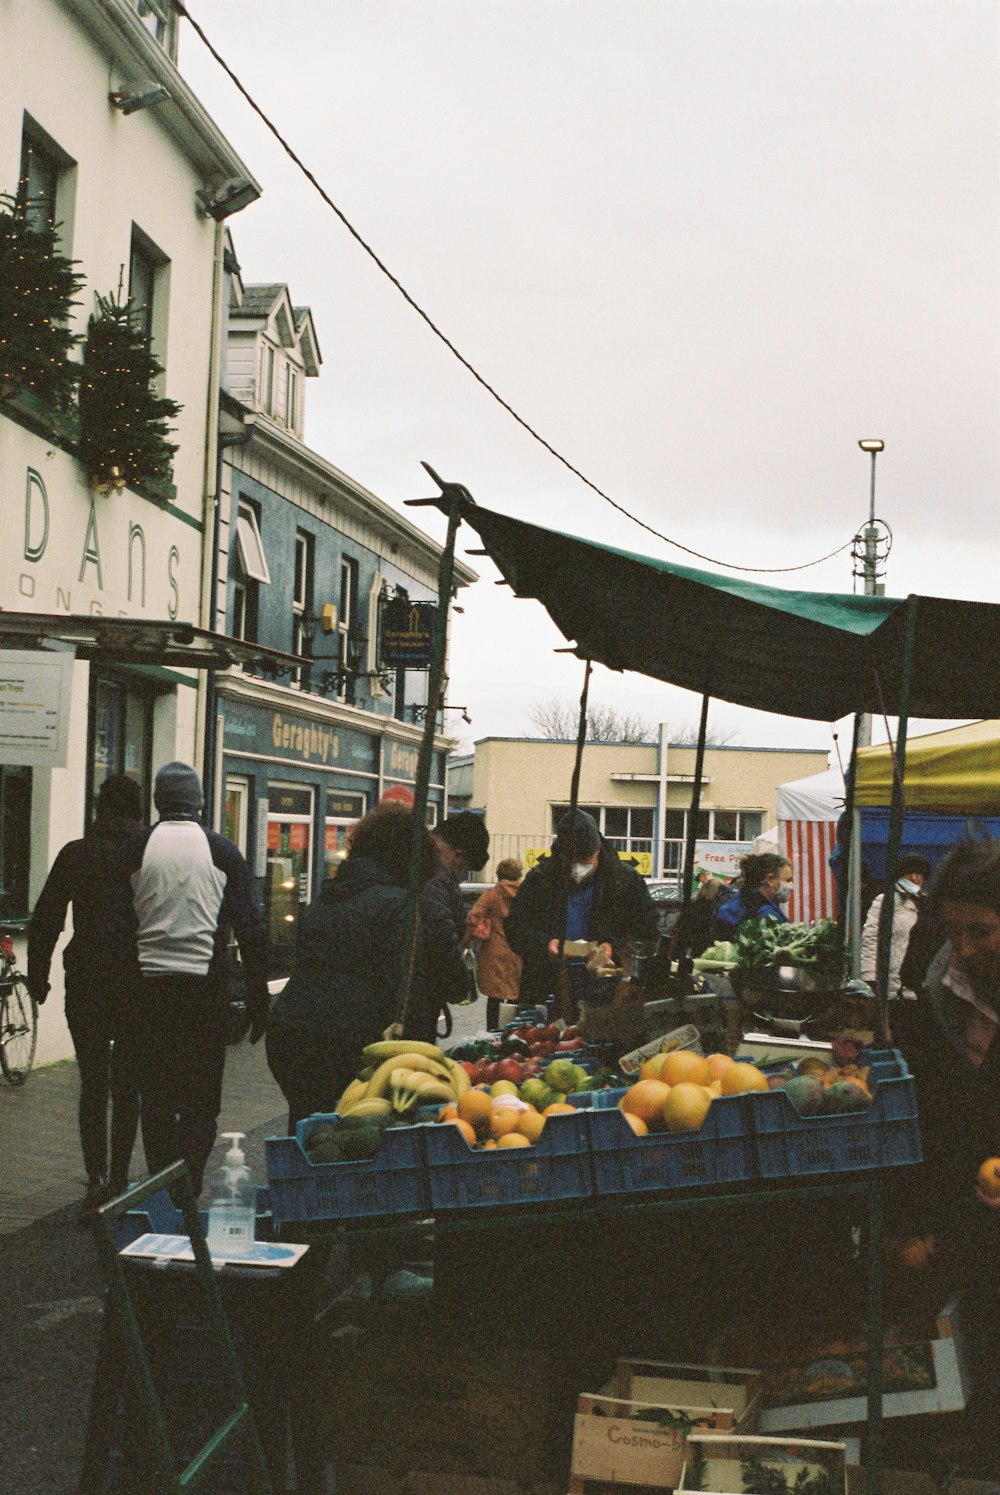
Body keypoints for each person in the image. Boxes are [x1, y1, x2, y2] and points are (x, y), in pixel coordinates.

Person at [122, 762, 269, 1197]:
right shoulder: (222, 851)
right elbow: (253, 929)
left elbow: (113, 925)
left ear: (157, 802)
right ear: (201, 803)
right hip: (206, 993)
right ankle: (190, 1182)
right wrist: (258, 997)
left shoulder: (135, 848)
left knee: (157, 1097)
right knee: (202, 1100)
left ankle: (164, 1181)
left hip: (147, 993)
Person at [266, 808, 439, 1130]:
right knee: (349, 1139)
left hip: (288, 1032)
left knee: (307, 1131)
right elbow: (405, 988)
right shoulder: (399, 904)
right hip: (345, 1041)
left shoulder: (327, 897)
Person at [27, 774, 144, 1211]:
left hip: (87, 979)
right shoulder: (147, 855)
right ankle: (120, 1178)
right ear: (137, 812)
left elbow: (46, 919)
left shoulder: (77, 853)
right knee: (127, 1084)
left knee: (93, 1083)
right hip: (136, 981)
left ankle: (95, 1179)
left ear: (99, 810)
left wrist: (38, 976)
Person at [506, 809, 659, 1017]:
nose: (579, 866)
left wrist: (614, 945)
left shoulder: (625, 881)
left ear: (598, 849)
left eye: (586, 859)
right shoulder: (539, 880)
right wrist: (544, 944)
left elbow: (648, 927)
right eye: (572, 860)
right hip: (546, 987)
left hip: (607, 990)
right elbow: (515, 927)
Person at [412, 812, 491, 1041]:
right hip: (416, 1000)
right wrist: (461, 986)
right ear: (457, 856)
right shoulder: (434, 879)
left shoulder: (414, 864)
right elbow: (440, 940)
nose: (461, 877)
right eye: (464, 869)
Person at [859, 853, 932, 1000]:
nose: (914, 878)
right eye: (909, 874)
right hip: (892, 984)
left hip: (920, 985)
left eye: (918, 874)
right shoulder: (885, 901)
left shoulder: (928, 904)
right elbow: (871, 938)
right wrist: (870, 976)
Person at [464, 858, 524, 1030]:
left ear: (499, 874)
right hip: (518, 950)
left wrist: (465, 941)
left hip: (494, 950)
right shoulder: (526, 893)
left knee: (494, 997)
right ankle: (514, 1032)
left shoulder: (492, 894)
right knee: (515, 995)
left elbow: (472, 918)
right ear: (519, 875)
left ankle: (493, 1033)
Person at [713, 852, 793, 938]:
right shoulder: (766, 915)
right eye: (788, 880)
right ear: (769, 879)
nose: (791, 886)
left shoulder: (740, 900)